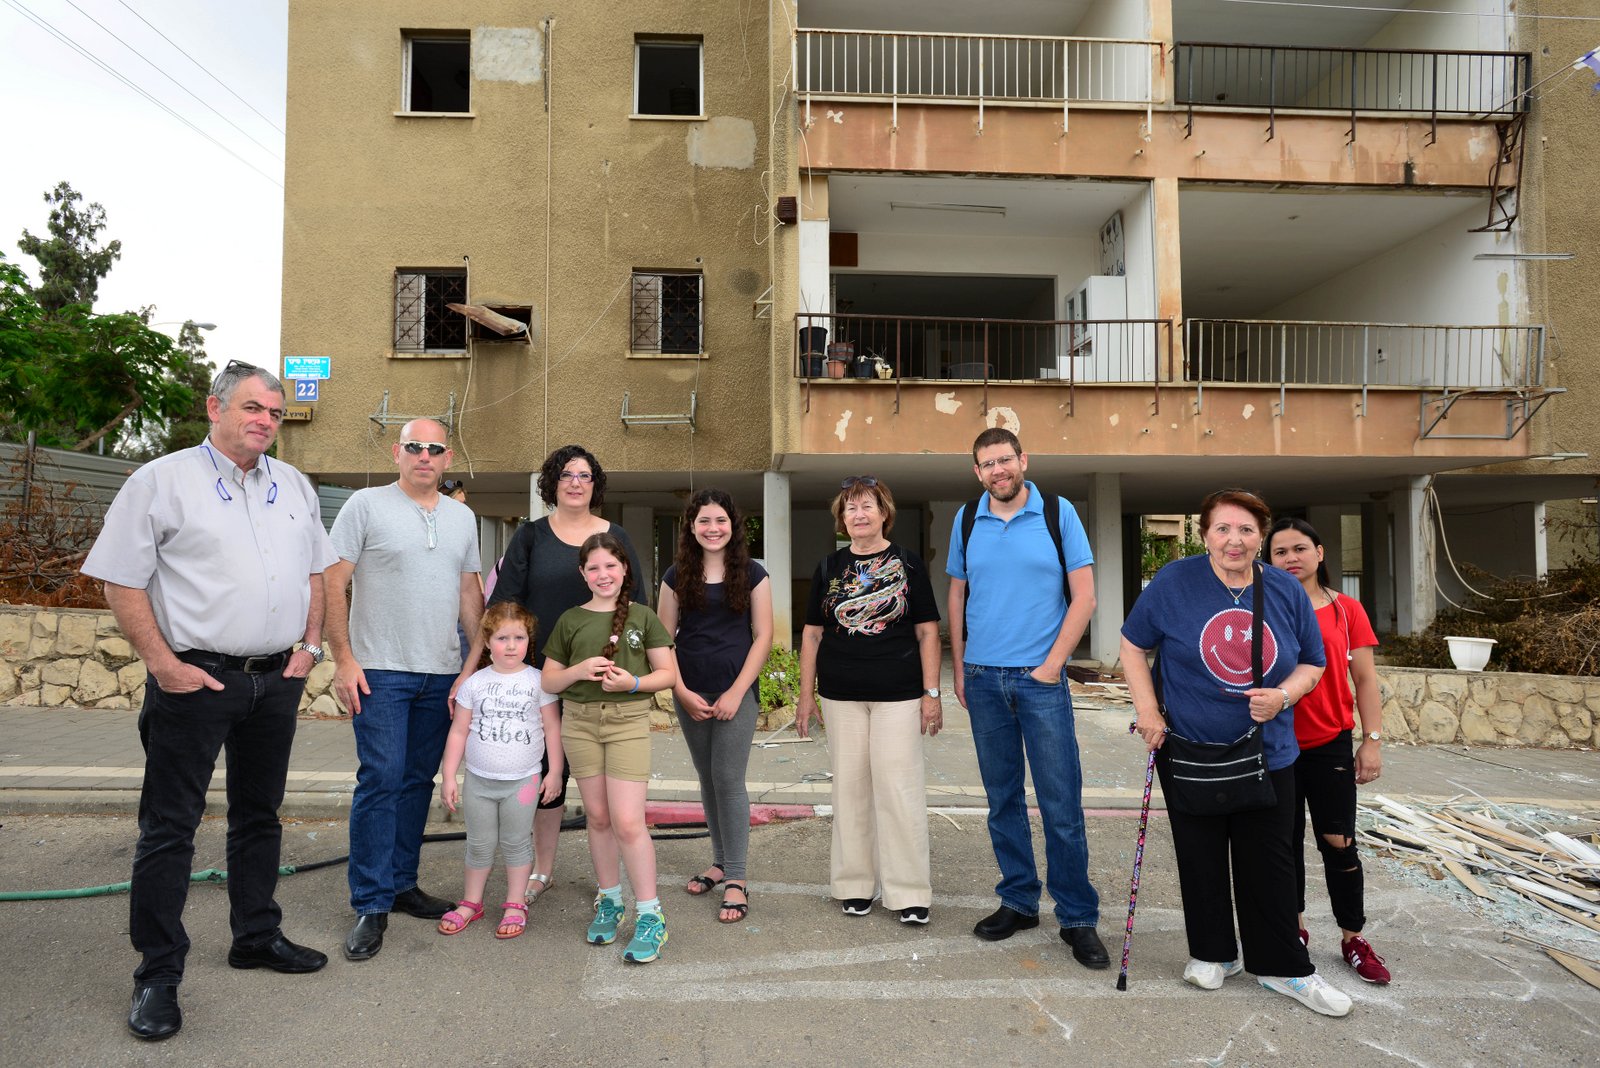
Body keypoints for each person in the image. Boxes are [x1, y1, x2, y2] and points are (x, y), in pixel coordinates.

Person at [81, 361, 336, 1042]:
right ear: (215, 408)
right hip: (195, 681)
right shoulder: (160, 481)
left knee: (260, 818)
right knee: (170, 829)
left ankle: (256, 935)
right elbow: (120, 580)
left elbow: (316, 571)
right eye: (252, 407)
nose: (265, 421)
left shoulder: (295, 485)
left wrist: (310, 647)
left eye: (275, 412)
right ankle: (158, 975)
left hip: (274, 682)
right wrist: (164, 666)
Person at [1123, 489, 1353, 1017]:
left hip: (1268, 751)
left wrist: (1283, 697)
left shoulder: (1284, 589)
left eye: (1246, 530)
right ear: (1204, 534)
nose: (1234, 540)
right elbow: (1133, 645)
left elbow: (1314, 662)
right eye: (1223, 528)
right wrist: (1149, 711)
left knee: (1269, 862)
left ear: (1261, 538)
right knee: (1199, 854)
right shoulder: (1174, 581)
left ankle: (1283, 967)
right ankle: (1213, 953)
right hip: (1189, 747)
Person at [457, 444, 648, 904]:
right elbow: (502, 610)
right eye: (566, 475)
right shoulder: (531, 536)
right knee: (546, 777)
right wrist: (469, 671)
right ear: (552, 484)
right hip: (542, 679)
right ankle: (542, 870)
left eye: (584, 475)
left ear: (595, 485)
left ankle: (613, 884)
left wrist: (634, 674)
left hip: (603, 682)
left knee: (608, 795)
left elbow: (638, 607)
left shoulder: (615, 537)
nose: (575, 483)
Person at [945, 428, 1106, 967]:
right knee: (1003, 800)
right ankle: (1018, 900)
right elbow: (957, 594)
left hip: (1041, 682)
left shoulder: (1058, 513)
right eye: (988, 464)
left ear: (1023, 460)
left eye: (1005, 460)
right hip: (983, 678)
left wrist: (1052, 666)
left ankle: (1077, 916)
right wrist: (960, 666)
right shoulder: (967, 519)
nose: (999, 470)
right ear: (977, 472)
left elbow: (1085, 597)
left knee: (1061, 803)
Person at [325, 419, 483, 962]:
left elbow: (469, 592)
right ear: (397, 452)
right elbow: (333, 580)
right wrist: (343, 658)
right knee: (382, 779)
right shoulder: (365, 505)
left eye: (434, 448)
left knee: (417, 782)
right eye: (414, 446)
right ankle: (370, 902)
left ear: (447, 458)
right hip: (380, 671)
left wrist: (474, 665)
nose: (424, 456)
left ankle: (401, 884)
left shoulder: (462, 517)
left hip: (440, 672)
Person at [798, 475, 942, 924]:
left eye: (867, 506)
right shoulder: (828, 567)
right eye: (850, 508)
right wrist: (805, 696)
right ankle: (855, 886)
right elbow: (812, 634)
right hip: (840, 695)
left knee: (898, 790)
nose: (858, 515)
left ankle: (909, 892)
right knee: (850, 789)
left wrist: (932, 693)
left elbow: (927, 632)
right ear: (841, 519)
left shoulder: (908, 564)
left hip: (899, 695)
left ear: (884, 514)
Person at [541, 532, 677, 962]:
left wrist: (632, 682)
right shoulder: (570, 619)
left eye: (611, 566)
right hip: (579, 723)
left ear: (624, 570)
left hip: (627, 723)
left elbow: (667, 674)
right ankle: (610, 899)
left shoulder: (642, 616)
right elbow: (549, 680)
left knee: (628, 821)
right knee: (598, 818)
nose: (603, 574)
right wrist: (579, 670)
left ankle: (651, 915)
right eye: (594, 567)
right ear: (583, 574)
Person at [1267, 517, 1390, 984]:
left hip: (1329, 742)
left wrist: (1371, 741)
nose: (1290, 558)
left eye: (1300, 548)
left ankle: (1353, 937)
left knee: (1339, 841)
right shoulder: (1262, 607)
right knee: (1283, 844)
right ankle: (1294, 930)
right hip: (1275, 744)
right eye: (1280, 552)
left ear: (1319, 553)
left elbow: (1365, 680)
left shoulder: (1346, 610)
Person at [658, 489, 774, 924]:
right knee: (708, 778)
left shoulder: (753, 573)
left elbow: (763, 636)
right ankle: (720, 861)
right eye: (704, 520)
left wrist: (738, 691)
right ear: (691, 527)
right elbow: (663, 640)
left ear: (733, 525)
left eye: (720, 520)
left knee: (728, 779)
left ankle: (737, 878)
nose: (713, 528)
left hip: (735, 692)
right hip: (691, 690)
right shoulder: (675, 576)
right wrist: (681, 690)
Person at [437, 602, 563, 938]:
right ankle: (471, 902)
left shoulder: (539, 682)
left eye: (518, 638)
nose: (510, 646)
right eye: (502, 638)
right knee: (478, 844)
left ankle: (515, 903)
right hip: (478, 781)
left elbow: (553, 729)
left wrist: (555, 772)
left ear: (529, 640)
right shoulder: (474, 684)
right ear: (487, 641)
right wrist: (448, 776)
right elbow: (458, 732)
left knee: (516, 842)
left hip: (523, 783)